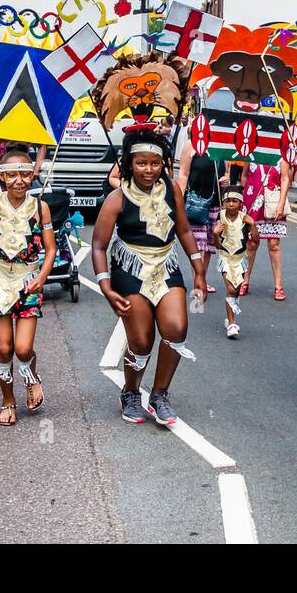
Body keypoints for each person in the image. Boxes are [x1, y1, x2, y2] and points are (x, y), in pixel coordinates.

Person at [91, 127, 208, 427]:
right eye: (141, 163)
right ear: (129, 163)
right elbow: (99, 245)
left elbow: (183, 230)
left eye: (154, 163)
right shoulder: (117, 198)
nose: (148, 170)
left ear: (163, 163)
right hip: (130, 267)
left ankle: (159, 395)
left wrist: (198, 270)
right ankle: (131, 392)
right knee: (141, 341)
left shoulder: (172, 189)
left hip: (166, 265)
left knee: (176, 328)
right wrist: (105, 286)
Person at [0, 148, 57, 426]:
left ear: (33, 175)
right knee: (4, 349)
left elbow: (51, 249)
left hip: (29, 283)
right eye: (12, 175)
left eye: (25, 174)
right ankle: (7, 401)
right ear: (1, 177)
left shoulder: (40, 208)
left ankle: (31, 377)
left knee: (23, 348)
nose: (19, 180)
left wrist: (41, 277)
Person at [178, 140, 226, 294]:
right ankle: (198, 282)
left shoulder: (220, 145)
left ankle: (202, 278)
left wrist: (226, 179)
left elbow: (224, 173)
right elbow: (183, 175)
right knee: (198, 246)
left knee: (209, 245)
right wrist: (178, 202)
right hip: (195, 202)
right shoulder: (191, 145)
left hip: (214, 203)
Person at [239, 159, 291, 300]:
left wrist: (281, 204)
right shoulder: (251, 152)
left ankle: (278, 286)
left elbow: (285, 179)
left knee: (274, 244)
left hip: (273, 202)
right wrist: (247, 196)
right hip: (253, 202)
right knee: (251, 243)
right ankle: (244, 281)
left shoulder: (282, 154)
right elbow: (244, 176)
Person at [213, 185, 255, 339]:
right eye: (228, 201)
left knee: (236, 290)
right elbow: (217, 246)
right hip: (225, 258)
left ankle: (229, 317)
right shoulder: (220, 216)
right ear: (223, 202)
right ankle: (231, 323)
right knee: (231, 289)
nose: (231, 204)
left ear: (240, 203)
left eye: (235, 201)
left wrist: (253, 225)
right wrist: (215, 234)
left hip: (240, 259)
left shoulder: (245, 218)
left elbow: (255, 241)